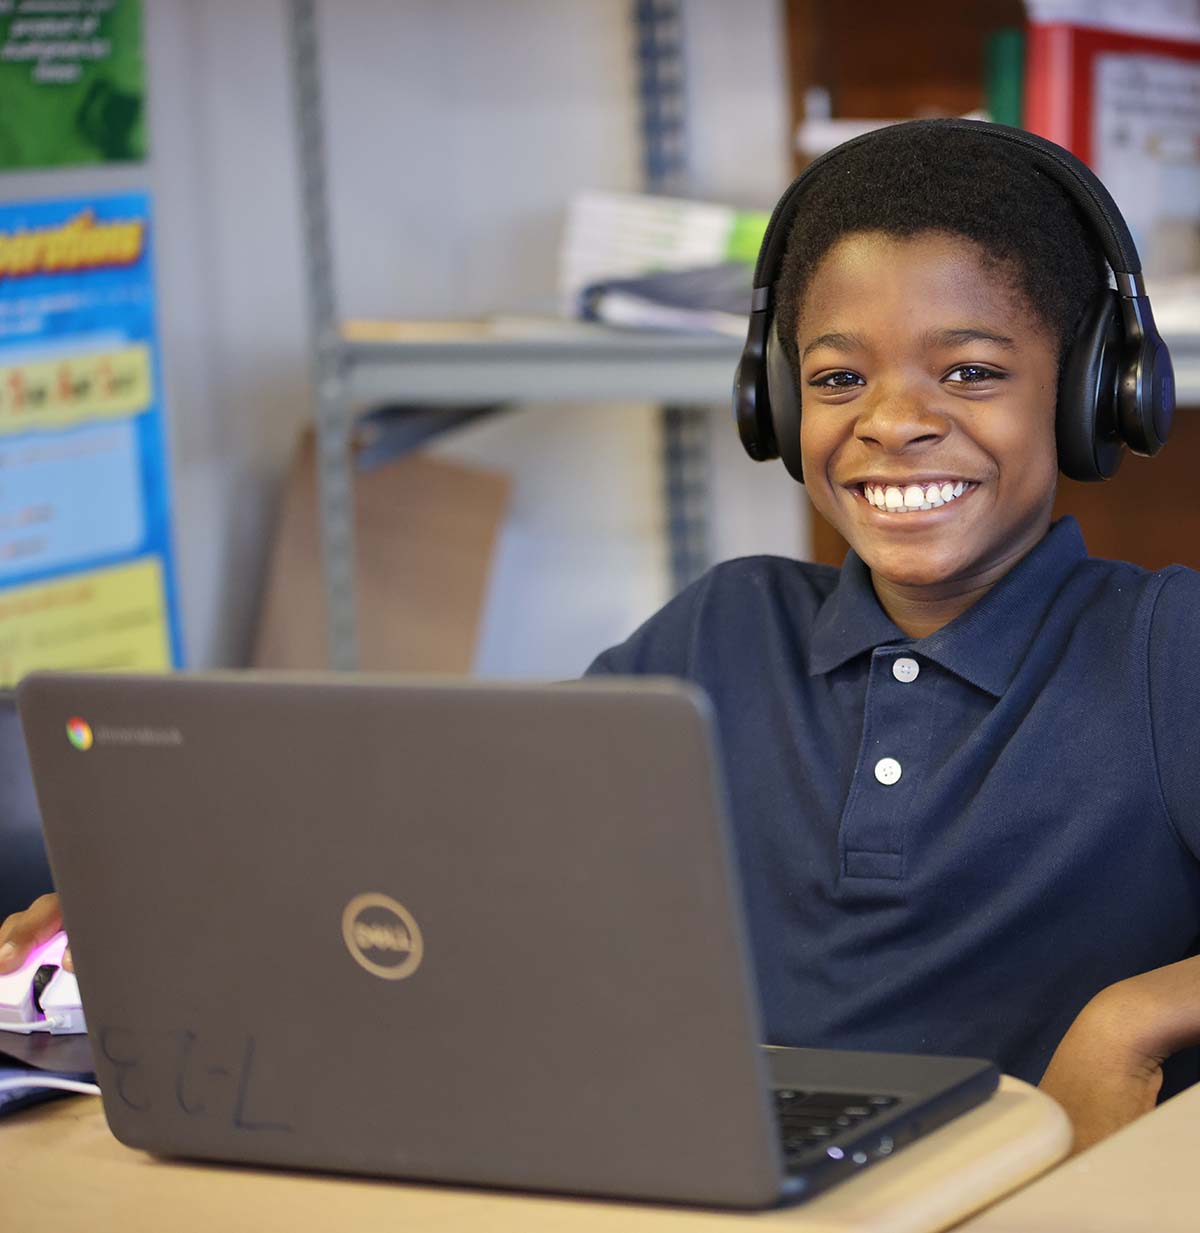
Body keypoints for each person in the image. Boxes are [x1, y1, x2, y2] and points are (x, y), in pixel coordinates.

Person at [3, 120, 1199, 1156]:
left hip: (1020, 1188)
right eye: (837, 380)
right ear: (774, 403)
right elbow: (446, 841)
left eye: (972, 370)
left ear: (1096, 390)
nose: (894, 423)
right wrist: (159, 916)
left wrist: (1125, 1023)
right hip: (728, 1176)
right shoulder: (725, 629)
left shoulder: (1162, 647)